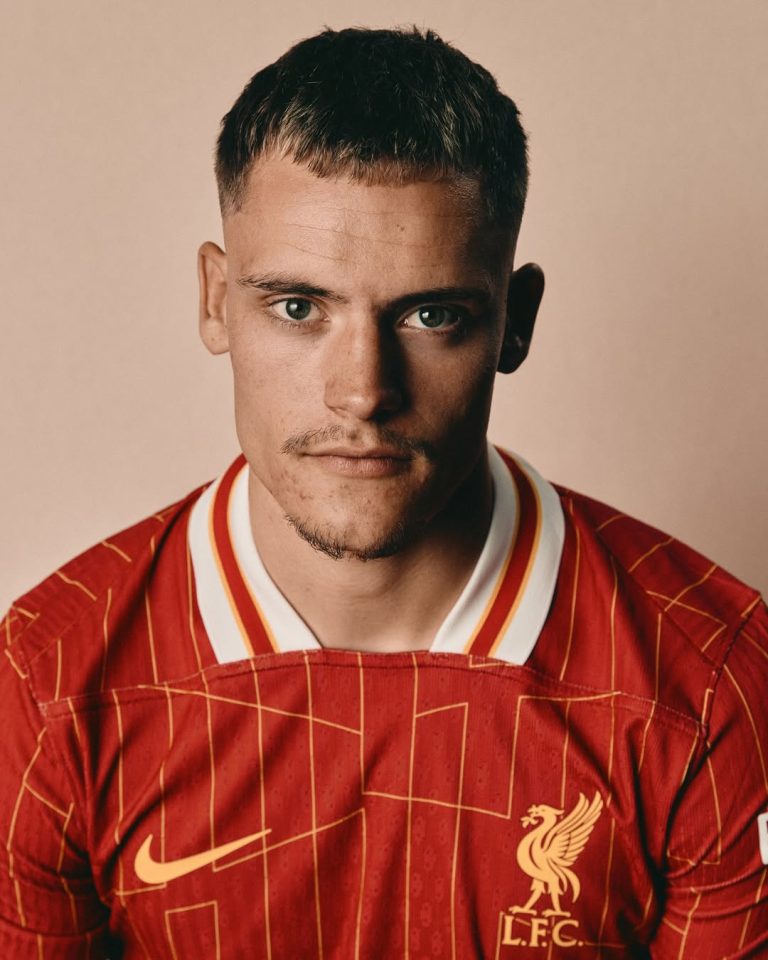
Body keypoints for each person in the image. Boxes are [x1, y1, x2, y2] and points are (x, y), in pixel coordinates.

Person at [1, 26, 765, 960]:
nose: (363, 391)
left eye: (431, 314)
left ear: (515, 321)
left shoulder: (713, 680)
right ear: (215, 299)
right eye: (298, 307)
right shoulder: (47, 681)